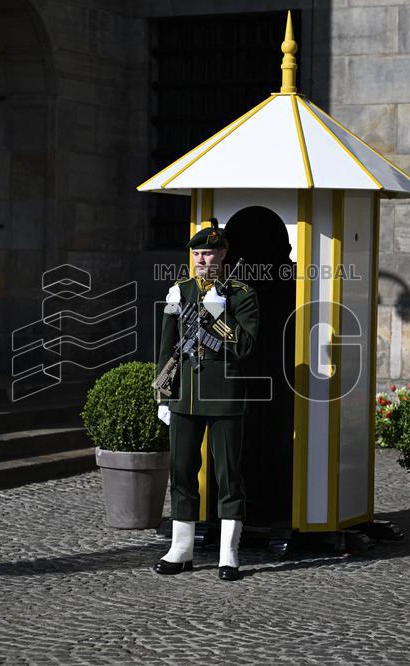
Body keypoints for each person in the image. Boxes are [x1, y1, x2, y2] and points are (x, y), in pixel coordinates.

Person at [153, 220, 259, 581]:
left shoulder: (241, 294)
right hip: (185, 395)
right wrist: (163, 395)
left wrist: (216, 317)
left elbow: (245, 348)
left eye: (209, 253)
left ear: (223, 254)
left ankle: (229, 554)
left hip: (225, 396)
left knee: (227, 473)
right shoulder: (179, 292)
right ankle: (181, 549)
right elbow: (167, 348)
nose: (202, 259)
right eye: (197, 253)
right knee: (181, 470)